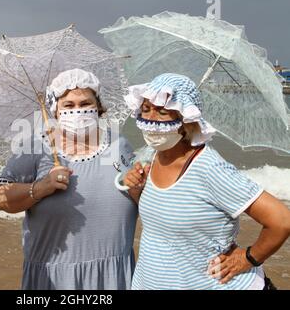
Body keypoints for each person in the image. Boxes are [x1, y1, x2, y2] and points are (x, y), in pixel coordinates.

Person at [120, 73, 290, 290]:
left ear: (186, 120)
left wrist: (248, 258)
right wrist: (136, 189)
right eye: (146, 109)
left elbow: (281, 220)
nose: (151, 118)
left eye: (162, 111)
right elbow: (162, 217)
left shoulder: (208, 167)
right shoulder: (154, 157)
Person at [0, 68, 138, 289]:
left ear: (98, 107)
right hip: (53, 279)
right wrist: (41, 187)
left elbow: (140, 195)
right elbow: (1, 198)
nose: (78, 111)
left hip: (114, 278)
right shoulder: (35, 147)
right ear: (55, 110)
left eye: (85, 104)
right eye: (69, 105)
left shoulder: (119, 145)